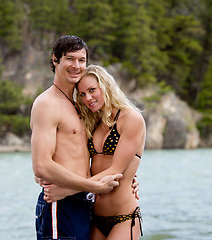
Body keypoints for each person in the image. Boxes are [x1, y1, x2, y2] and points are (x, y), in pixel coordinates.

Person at [30, 35, 124, 240]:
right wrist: (93, 186)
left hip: (84, 201)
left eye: (82, 60)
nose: (76, 66)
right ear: (55, 60)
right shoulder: (47, 103)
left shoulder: (80, 106)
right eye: (70, 59)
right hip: (60, 205)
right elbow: (41, 166)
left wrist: (126, 176)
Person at [43, 65, 146, 240]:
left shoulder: (131, 119)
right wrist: (45, 172)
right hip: (93, 216)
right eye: (82, 94)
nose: (88, 98)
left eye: (92, 90)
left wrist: (68, 190)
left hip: (124, 218)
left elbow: (116, 169)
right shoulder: (94, 122)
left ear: (105, 86)